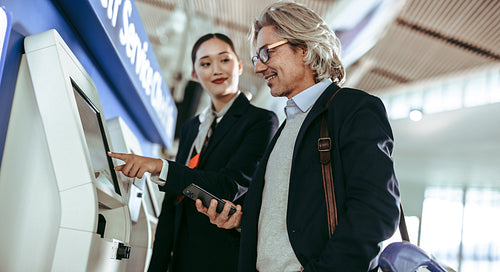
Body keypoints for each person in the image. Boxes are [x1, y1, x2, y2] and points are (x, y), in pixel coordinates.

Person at [197, 2, 401, 272]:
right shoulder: (288, 125)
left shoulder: (352, 108)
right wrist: (242, 219)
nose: (259, 68)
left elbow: (376, 210)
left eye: (266, 53)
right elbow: (294, 216)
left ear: (303, 49)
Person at [108, 33, 278, 272]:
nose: (216, 70)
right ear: (195, 75)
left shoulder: (260, 121)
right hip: (178, 259)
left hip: (219, 260)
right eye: (206, 63)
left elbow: (231, 185)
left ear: (240, 65)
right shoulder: (192, 128)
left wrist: (161, 167)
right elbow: (172, 204)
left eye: (224, 60)